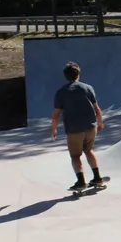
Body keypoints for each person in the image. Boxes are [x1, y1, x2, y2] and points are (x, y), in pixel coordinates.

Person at [50, 62, 105, 192]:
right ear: (78, 75)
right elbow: (97, 109)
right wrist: (100, 122)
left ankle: (81, 182)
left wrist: (54, 129)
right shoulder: (88, 88)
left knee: (75, 156)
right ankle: (97, 178)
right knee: (89, 150)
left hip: (74, 129)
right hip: (91, 127)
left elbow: (56, 114)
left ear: (65, 76)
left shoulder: (61, 92)